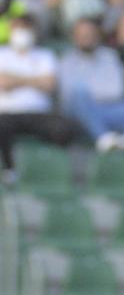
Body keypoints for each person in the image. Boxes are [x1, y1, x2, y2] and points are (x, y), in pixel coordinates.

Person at [58, 17, 124, 151]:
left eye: (89, 33)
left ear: (97, 34)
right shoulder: (66, 61)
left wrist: (91, 94)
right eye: (82, 34)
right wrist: (92, 95)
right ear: (74, 37)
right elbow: (69, 98)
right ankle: (104, 139)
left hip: (113, 110)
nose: (86, 37)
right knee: (79, 92)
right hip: (84, 116)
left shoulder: (110, 56)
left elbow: (117, 91)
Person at [0, 14, 73, 180]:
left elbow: (49, 84)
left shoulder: (46, 55)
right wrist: (34, 80)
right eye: (18, 28)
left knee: (64, 129)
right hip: (7, 113)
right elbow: (2, 83)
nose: (21, 33)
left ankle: (51, 174)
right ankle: (9, 170)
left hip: (38, 113)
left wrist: (15, 79)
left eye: (26, 28)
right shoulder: (2, 54)